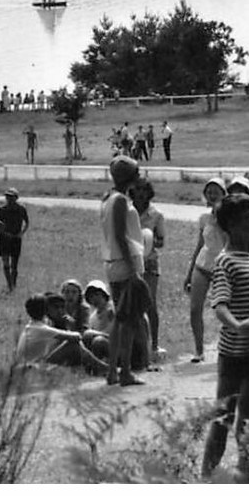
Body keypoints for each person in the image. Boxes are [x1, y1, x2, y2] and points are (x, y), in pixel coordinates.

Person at [202, 192, 249, 483]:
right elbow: (220, 305)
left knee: (248, 419)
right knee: (223, 418)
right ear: (232, 226)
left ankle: (245, 477)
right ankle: (207, 476)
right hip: (236, 356)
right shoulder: (227, 262)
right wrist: (238, 325)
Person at [100, 155, 148, 386]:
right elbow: (120, 235)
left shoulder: (109, 198)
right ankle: (124, 371)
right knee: (127, 320)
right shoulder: (119, 201)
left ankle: (113, 370)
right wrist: (133, 269)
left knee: (121, 319)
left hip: (114, 261)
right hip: (124, 261)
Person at [183, 177, 228, 363]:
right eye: (209, 191)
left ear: (224, 194)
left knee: (224, 310)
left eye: (216, 190)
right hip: (202, 265)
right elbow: (200, 245)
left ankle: (226, 346)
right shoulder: (203, 218)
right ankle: (199, 351)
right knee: (195, 309)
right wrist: (189, 272)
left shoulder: (229, 217)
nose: (212, 194)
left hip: (222, 267)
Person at [129, 178, 167, 359]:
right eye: (137, 189)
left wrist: (149, 240)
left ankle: (155, 345)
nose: (141, 193)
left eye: (144, 190)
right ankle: (137, 344)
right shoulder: (128, 211)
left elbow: (161, 241)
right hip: (130, 261)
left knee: (149, 303)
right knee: (131, 303)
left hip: (150, 262)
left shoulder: (156, 214)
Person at [0, 188, 29, 293]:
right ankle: (9, 284)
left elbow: (27, 222)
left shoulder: (21, 209)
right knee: (6, 263)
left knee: (14, 264)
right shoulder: (2, 210)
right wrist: (5, 233)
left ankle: (13, 284)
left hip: (16, 238)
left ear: (16, 198)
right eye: (7, 197)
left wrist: (21, 233)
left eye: (11, 197)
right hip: (5, 239)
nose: (9, 199)